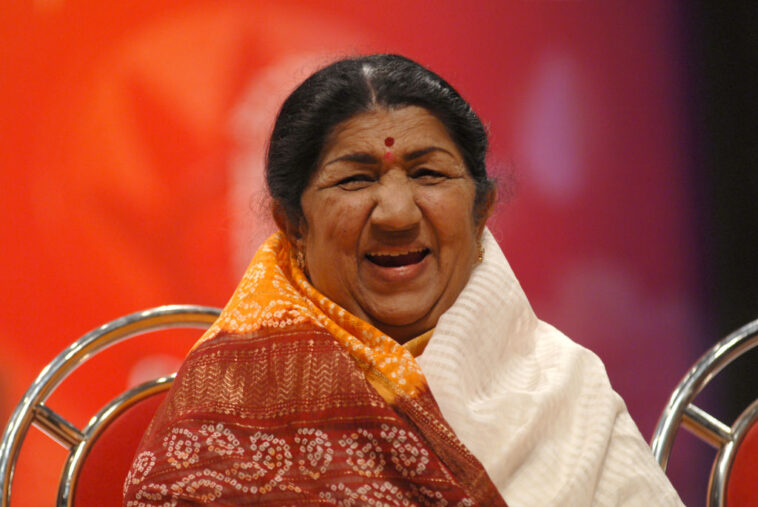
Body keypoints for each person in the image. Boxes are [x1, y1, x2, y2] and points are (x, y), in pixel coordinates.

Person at [123, 54, 682, 506]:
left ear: (481, 209)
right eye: (355, 179)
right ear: (293, 223)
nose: (396, 213)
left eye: (428, 174)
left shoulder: (565, 386)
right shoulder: (229, 404)